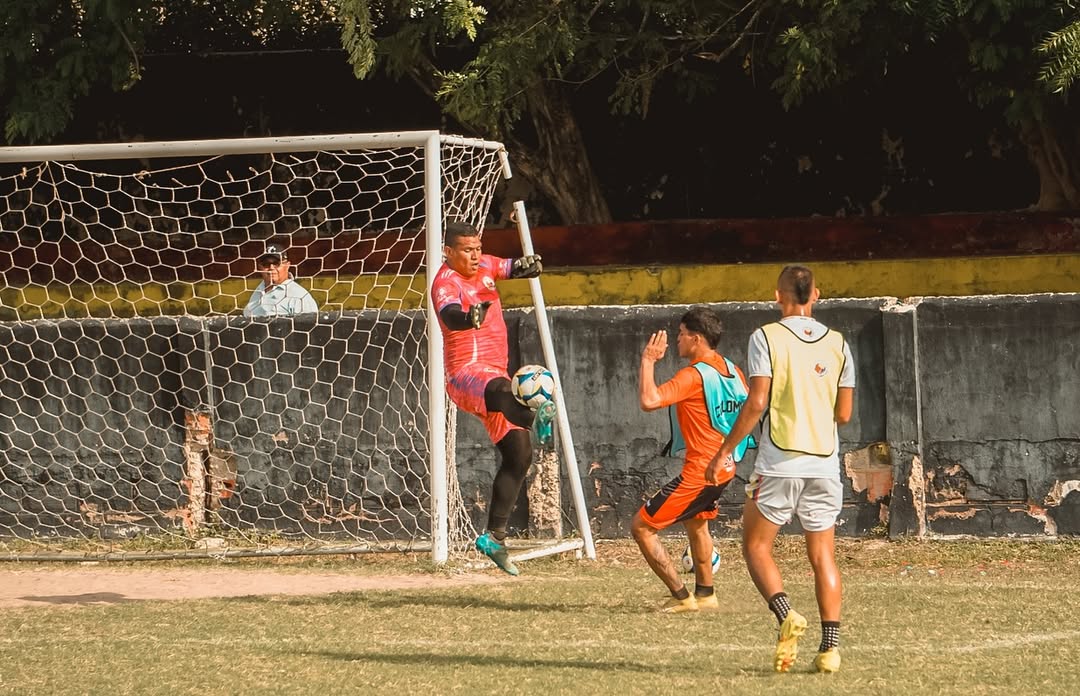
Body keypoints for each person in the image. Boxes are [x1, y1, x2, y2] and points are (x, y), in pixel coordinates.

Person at [705, 265, 855, 674]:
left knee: (755, 547)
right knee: (823, 555)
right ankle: (830, 650)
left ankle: (787, 613)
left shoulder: (765, 337)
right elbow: (844, 413)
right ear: (817, 295)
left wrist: (725, 451)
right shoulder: (840, 344)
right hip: (824, 464)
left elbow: (756, 402)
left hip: (780, 462)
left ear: (778, 297)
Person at [430, 220, 552, 576]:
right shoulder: (445, 283)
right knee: (502, 391)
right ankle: (537, 413)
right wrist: (469, 318)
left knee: (519, 455)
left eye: (477, 248)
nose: (475, 255)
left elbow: (509, 266)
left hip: (495, 374)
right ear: (449, 252)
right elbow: (450, 316)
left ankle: (494, 538)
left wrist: (526, 266)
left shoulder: (484, 265)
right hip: (466, 376)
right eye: (467, 250)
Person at [633, 306, 755, 613]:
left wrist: (648, 361)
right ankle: (706, 593)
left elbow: (649, 401)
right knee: (698, 525)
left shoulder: (693, 376)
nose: (676, 341)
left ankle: (681, 596)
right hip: (724, 468)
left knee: (641, 527)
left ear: (696, 339)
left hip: (701, 471)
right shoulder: (732, 369)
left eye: (681, 335)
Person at [242, 241, 318, 317]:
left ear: (287, 265)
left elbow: (310, 326)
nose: (271, 268)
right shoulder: (258, 291)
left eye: (276, 263)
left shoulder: (299, 296)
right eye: (266, 264)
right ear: (260, 267)